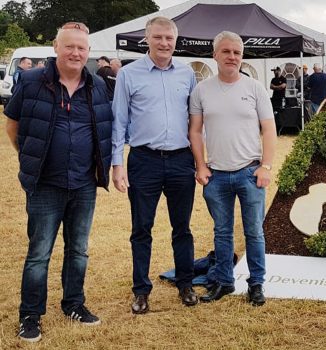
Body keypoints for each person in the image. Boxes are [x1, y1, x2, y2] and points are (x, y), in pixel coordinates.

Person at [5, 21, 112, 343]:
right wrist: (29, 158)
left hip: (82, 185)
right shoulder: (32, 80)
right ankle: (30, 315)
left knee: (78, 250)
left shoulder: (97, 86)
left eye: (81, 48)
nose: (75, 52)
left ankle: (74, 304)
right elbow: (13, 125)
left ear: (88, 52)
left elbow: (104, 129)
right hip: (45, 185)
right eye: (69, 46)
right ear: (56, 47)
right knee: (39, 253)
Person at [111, 16, 199, 315]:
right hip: (143, 160)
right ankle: (141, 291)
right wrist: (117, 164)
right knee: (141, 228)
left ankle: (185, 284)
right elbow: (119, 121)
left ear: (176, 41)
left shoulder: (187, 74)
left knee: (182, 227)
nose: (164, 43)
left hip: (180, 160)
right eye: (158, 37)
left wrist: (201, 162)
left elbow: (196, 122)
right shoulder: (128, 74)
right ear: (146, 39)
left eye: (169, 39)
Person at [188, 31, 276, 306]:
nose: (232, 57)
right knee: (222, 232)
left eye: (237, 52)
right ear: (214, 55)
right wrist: (200, 166)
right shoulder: (201, 90)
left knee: (254, 232)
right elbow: (195, 131)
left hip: (249, 173)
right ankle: (224, 282)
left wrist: (266, 166)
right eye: (226, 51)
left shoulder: (255, 89)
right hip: (215, 175)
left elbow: (269, 129)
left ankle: (257, 283)